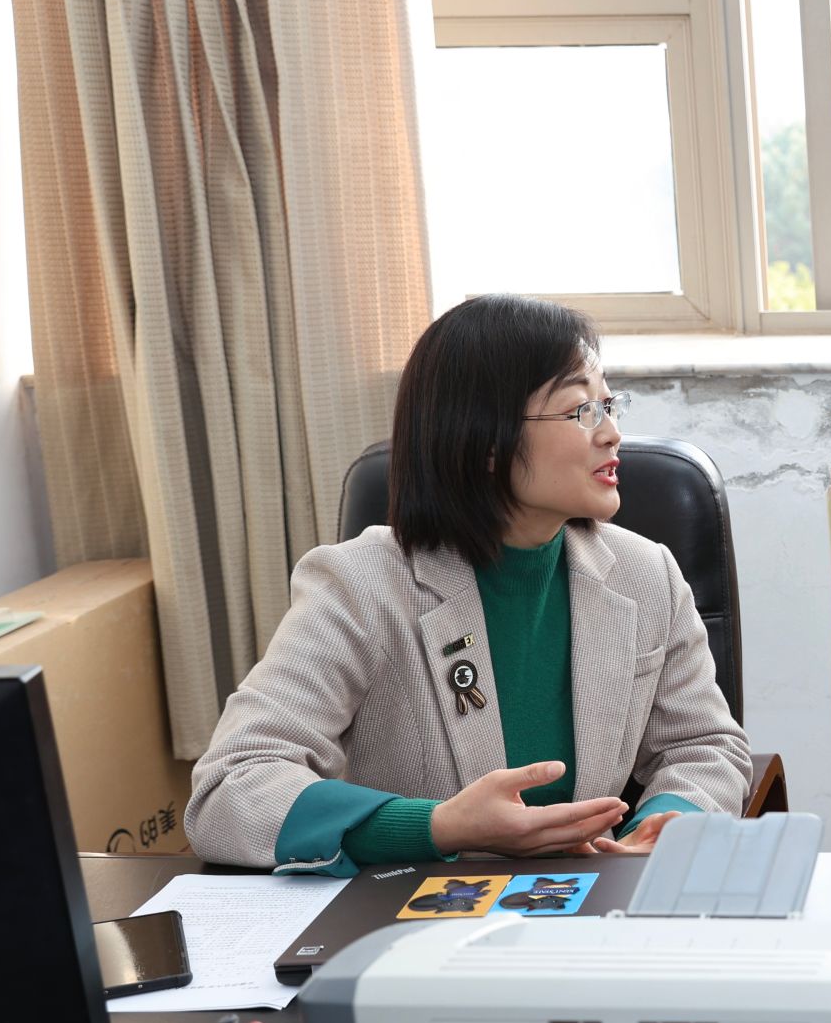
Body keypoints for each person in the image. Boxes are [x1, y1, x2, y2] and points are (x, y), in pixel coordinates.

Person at [186, 294, 751, 872]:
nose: (612, 434)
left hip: (592, 895)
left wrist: (672, 820)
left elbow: (703, 746)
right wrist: (439, 827)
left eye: (609, 405)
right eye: (582, 410)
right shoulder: (359, 585)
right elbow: (231, 785)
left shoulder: (645, 574)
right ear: (487, 444)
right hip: (417, 905)